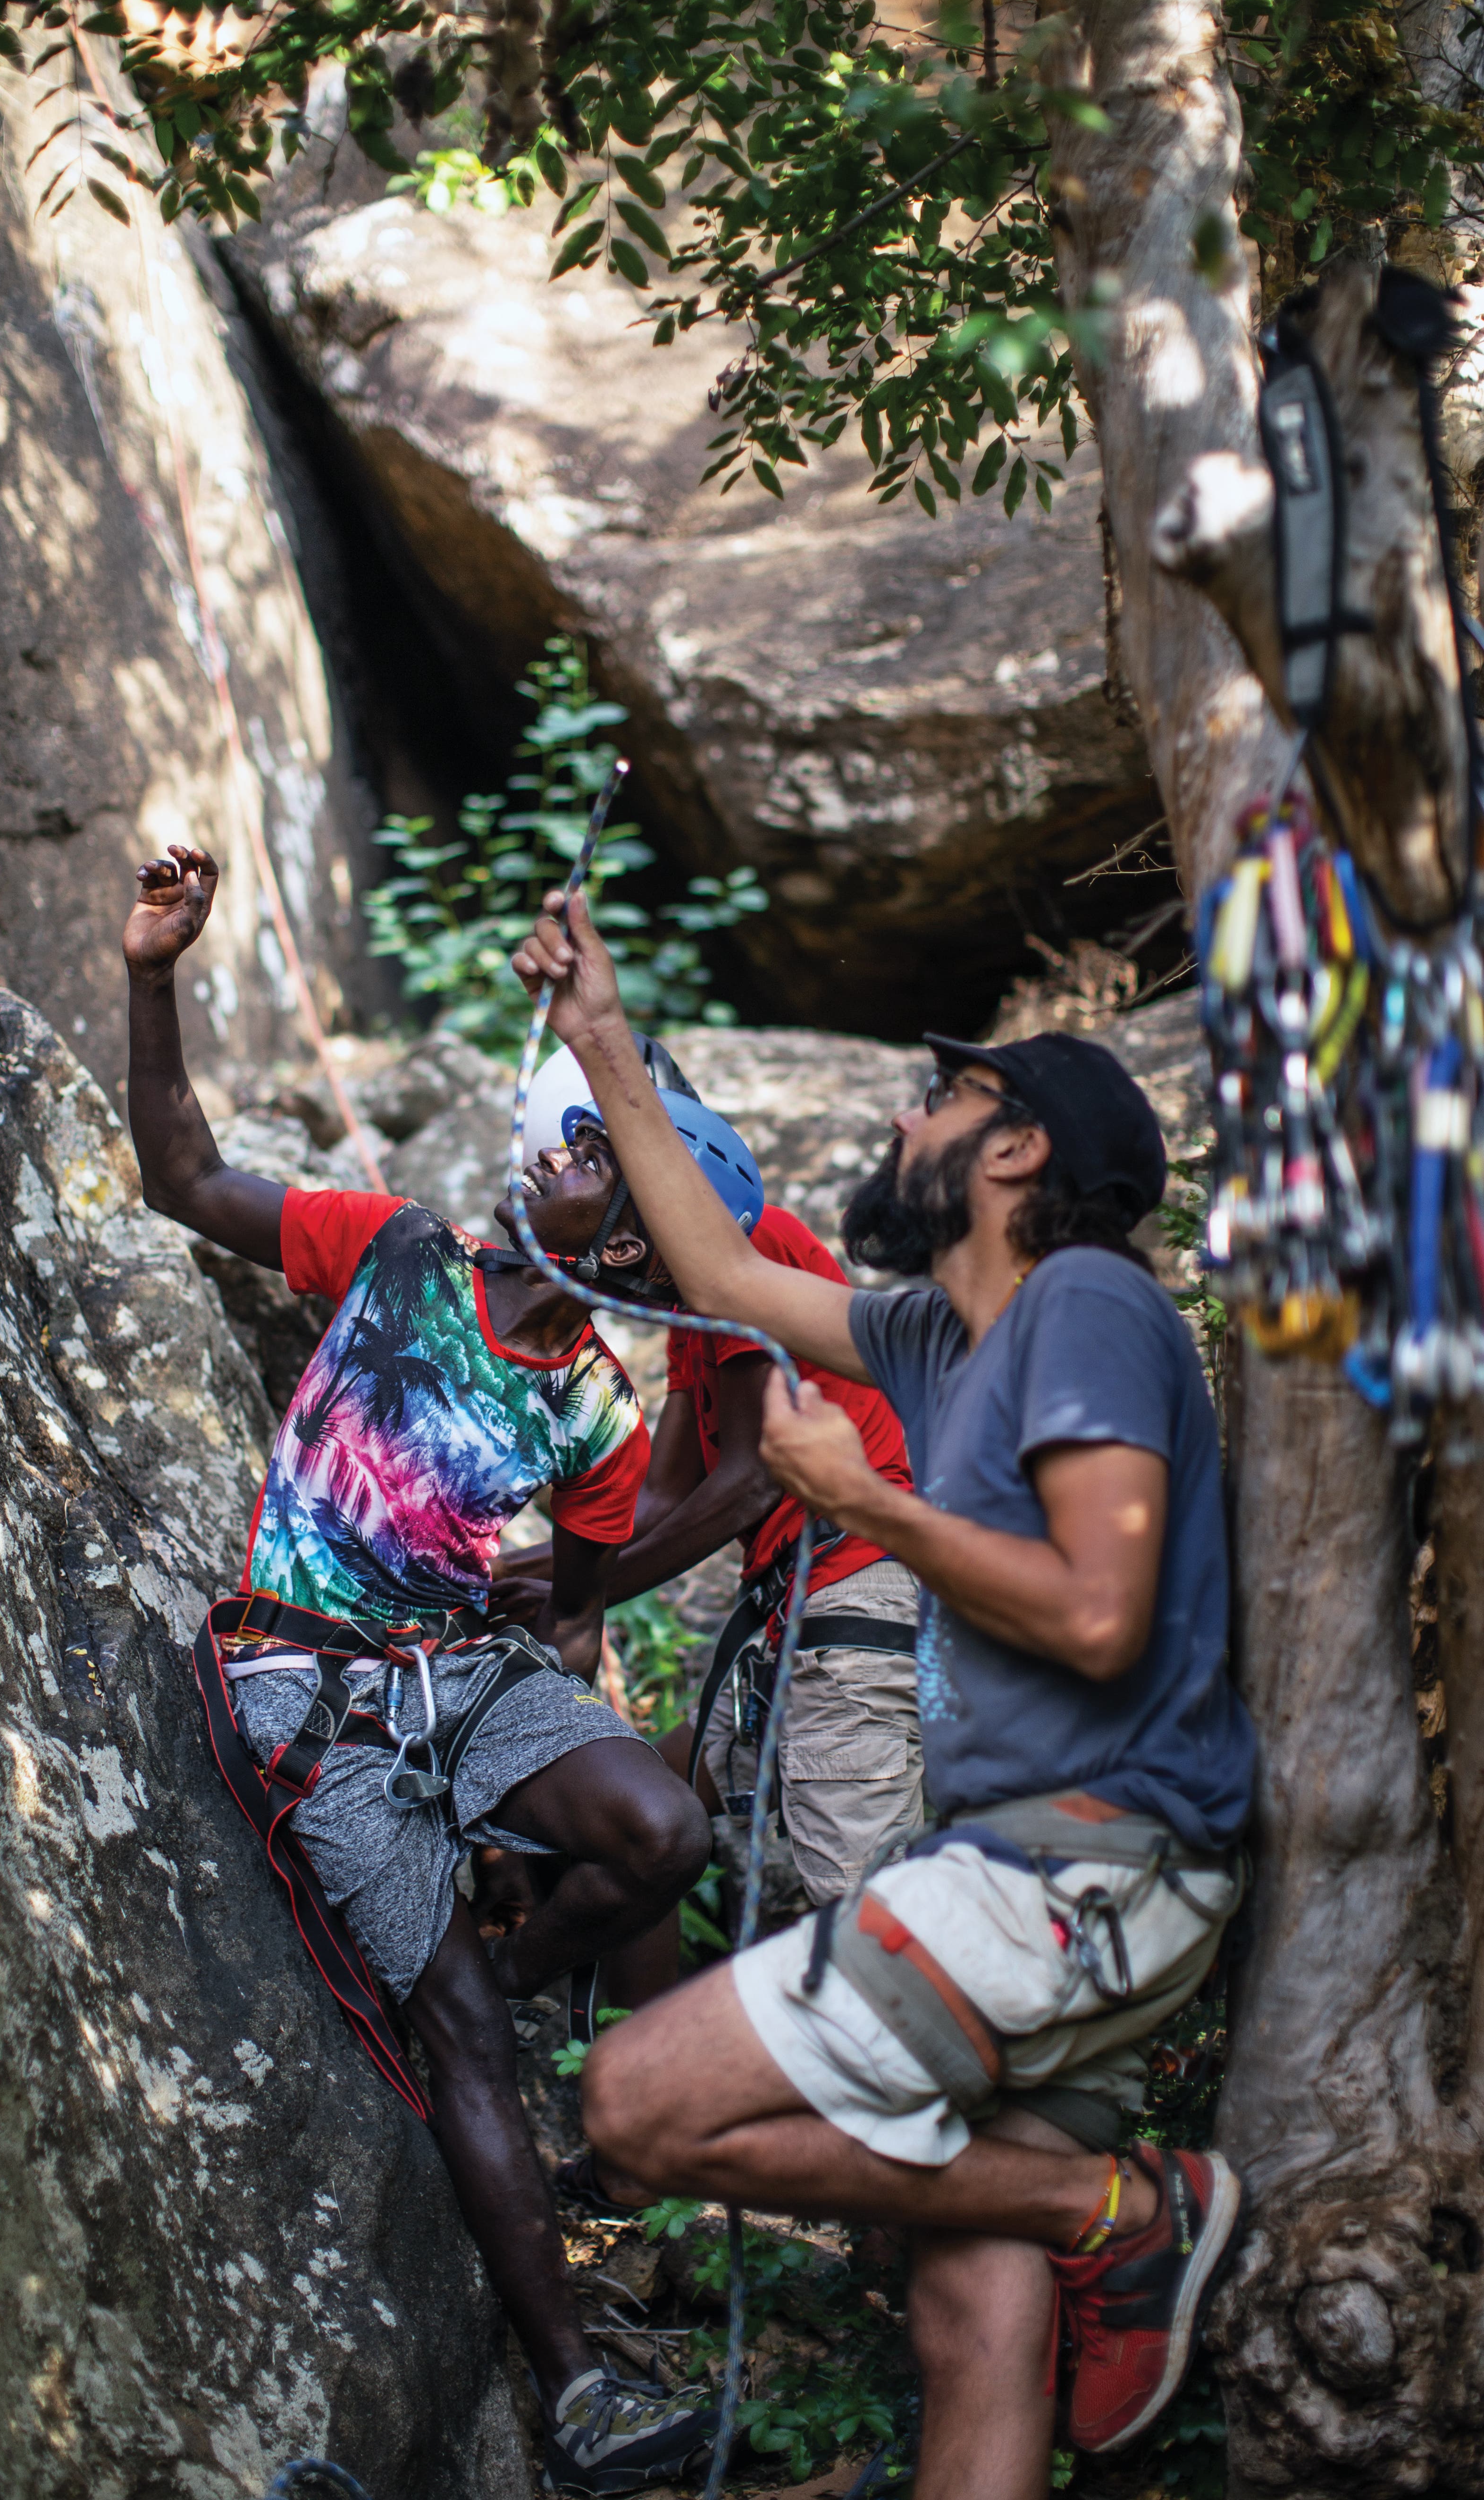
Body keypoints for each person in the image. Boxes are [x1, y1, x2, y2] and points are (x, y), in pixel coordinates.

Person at [512, 888, 1256, 2500]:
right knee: (966, 2301)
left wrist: (865, 1504)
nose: (901, 1114)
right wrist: (602, 1041)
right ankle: (1067, 2224)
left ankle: (1120, 2214)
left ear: (1011, 1158)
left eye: (940, 1098)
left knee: (639, 2101)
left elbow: (1095, 1611)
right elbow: (708, 1259)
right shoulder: (931, 1331)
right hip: (1054, 1881)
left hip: (1084, 1870)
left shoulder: (1086, 1305)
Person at [124, 842, 731, 2498]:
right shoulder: (389, 1249)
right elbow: (182, 1177)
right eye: (633, 1172)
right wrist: (153, 972)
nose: (642, 1215)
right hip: (302, 1678)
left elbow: (577, 1612)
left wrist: (546, 1781)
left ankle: (518, 1980)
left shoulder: (599, 1406)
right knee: (453, 2031)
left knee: (661, 1825)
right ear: (580, 1170)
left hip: (460, 1668)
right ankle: (580, 2388)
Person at [494, 1188, 924, 1918]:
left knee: (869, 1929)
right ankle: (594, 2018)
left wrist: (584, 1596)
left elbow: (752, 1481)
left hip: (851, 1600)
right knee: (639, 1828)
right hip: (791, 1615)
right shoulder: (694, 1314)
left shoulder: (755, 1244)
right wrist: (493, 1569)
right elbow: (660, 1502)